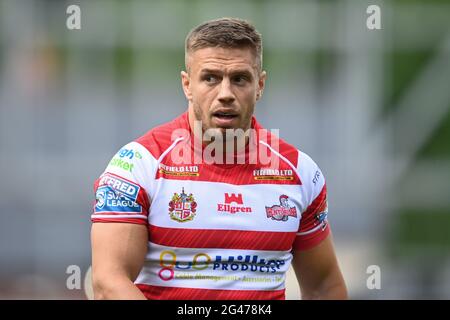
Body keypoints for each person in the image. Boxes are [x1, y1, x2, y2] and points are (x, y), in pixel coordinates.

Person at [91, 17, 347, 300]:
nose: (225, 94)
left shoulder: (300, 172)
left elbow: (324, 286)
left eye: (239, 79)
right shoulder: (137, 166)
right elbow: (108, 283)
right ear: (187, 85)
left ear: (260, 85)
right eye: (210, 78)